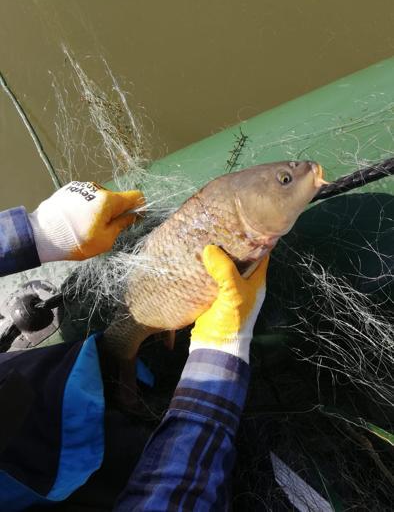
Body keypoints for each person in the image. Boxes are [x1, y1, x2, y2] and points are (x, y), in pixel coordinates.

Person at [0, 181, 269, 511]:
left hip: (26, 390)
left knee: (79, 377)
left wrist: (38, 233)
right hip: (42, 478)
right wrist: (222, 350)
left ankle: (116, 383)